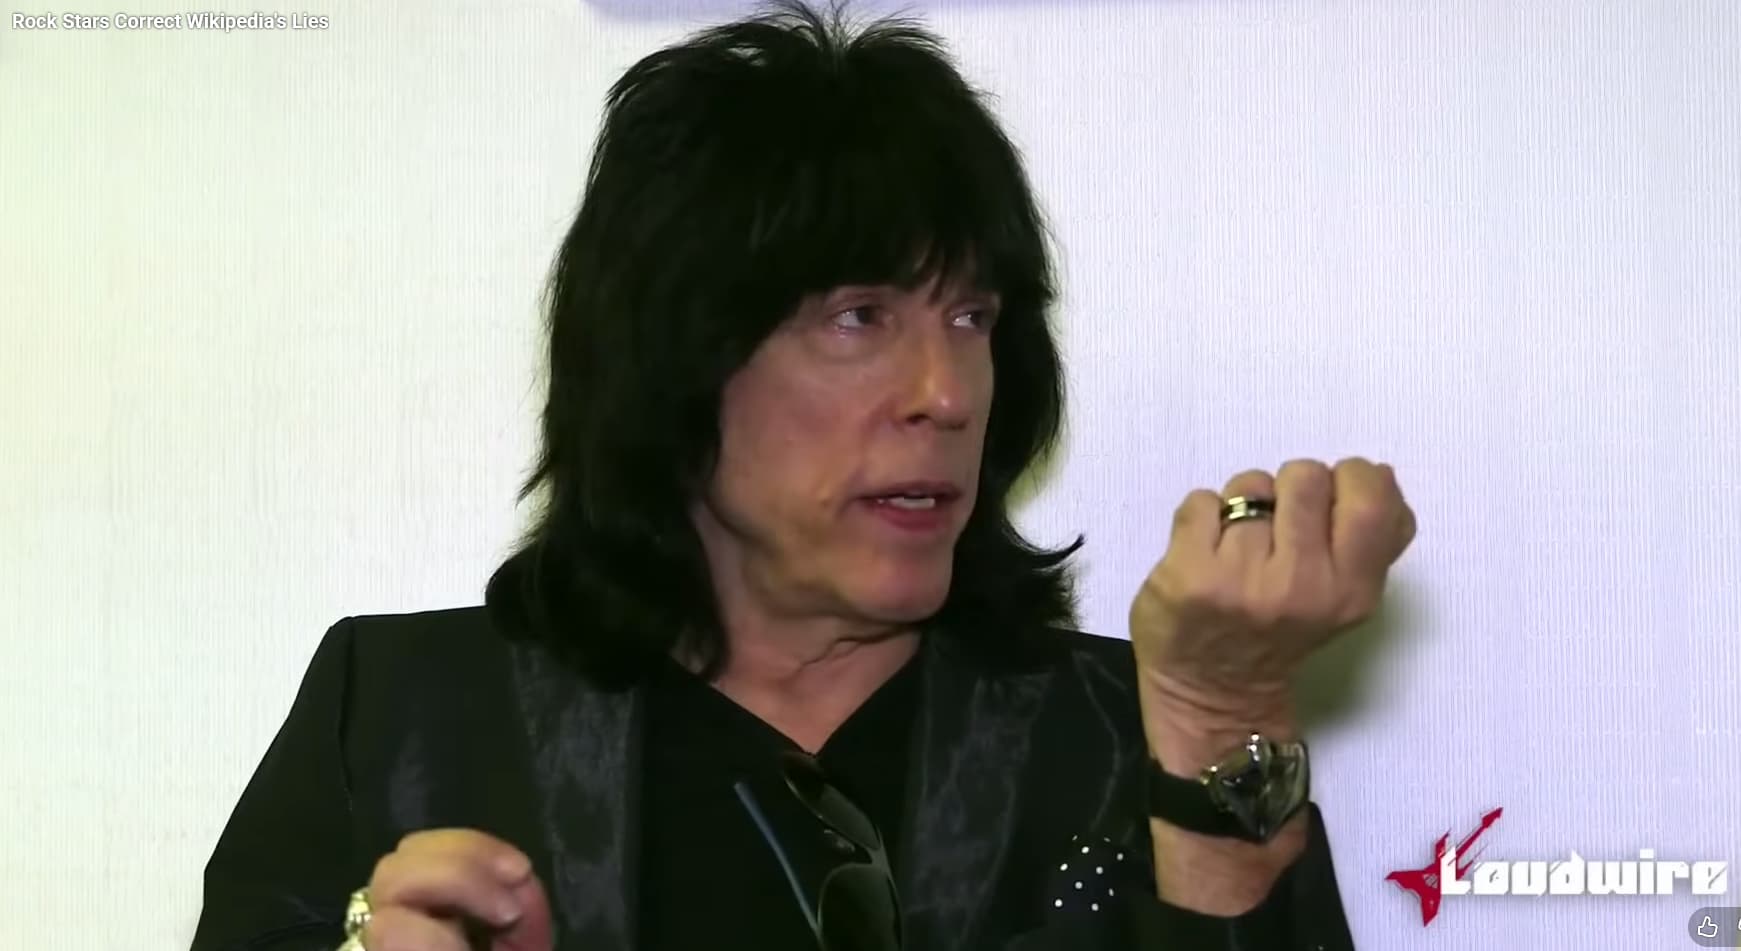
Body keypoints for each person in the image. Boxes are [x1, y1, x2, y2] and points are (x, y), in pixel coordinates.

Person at [189, 2, 1415, 949]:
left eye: (974, 317)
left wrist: (1217, 724)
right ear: (674, 358)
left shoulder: (1129, 729)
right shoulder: (401, 719)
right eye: (858, 316)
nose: (947, 391)